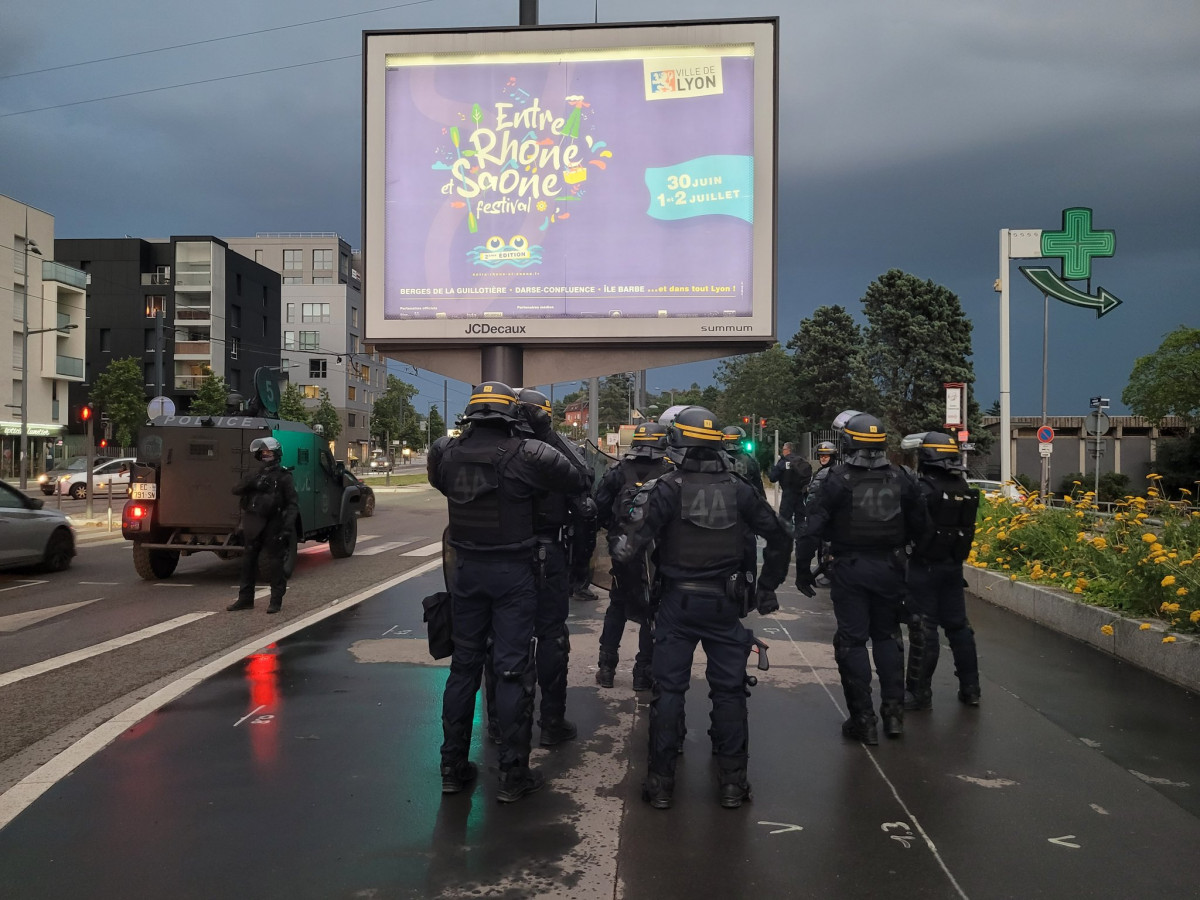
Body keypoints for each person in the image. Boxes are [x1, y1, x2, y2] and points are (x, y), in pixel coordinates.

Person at [611, 407, 792, 810]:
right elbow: (780, 535)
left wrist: (639, 599)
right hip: (726, 604)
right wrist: (766, 587)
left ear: (679, 443)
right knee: (730, 691)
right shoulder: (740, 488)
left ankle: (660, 784)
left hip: (677, 602)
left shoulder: (666, 488)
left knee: (669, 689)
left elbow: (628, 549)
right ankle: (732, 783)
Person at [427, 382, 589, 803]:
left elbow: (443, 482)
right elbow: (578, 479)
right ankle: (513, 775)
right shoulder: (526, 454)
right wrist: (544, 430)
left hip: (465, 571)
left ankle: (451, 767)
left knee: (464, 667)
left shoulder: (447, 453)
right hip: (514, 571)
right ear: (511, 415)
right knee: (513, 667)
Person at [795, 411, 926, 745]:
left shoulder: (835, 479)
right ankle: (894, 716)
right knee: (888, 637)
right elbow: (923, 528)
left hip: (850, 569)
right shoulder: (903, 477)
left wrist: (802, 571)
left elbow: (812, 530)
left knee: (852, 641)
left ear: (848, 442)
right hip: (891, 569)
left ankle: (863, 720)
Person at [516, 387, 598, 746]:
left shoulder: (490, 445)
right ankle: (550, 722)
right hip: (547, 554)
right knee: (551, 636)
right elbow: (584, 501)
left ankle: (504, 725)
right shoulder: (557, 450)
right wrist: (580, 571)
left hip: (498, 556)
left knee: (502, 640)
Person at [901, 432, 981, 709]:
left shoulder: (923, 489)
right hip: (953, 566)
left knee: (924, 628)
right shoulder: (963, 486)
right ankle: (971, 689)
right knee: (959, 627)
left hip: (924, 567)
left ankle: (918, 691)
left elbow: (907, 525)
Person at [593, 421, 673, 691]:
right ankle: (643, 673)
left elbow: (599, 508)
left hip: (622, 552)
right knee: (652, 609)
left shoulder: (618, 471)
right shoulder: (669, 472)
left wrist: (614, 533)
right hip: (656, 553)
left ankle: (606, 668)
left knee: (617, 605)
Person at [228, 436, 298, 614]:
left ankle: (275, 601)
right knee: (248, 561)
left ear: (277, 454)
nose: (266, 455)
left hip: (274, 523)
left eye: (269, 452)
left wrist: (287, 528)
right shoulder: (255, 474)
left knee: (275, 563)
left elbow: (292, 503)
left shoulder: (284, 476)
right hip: (253, 522)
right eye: (263, 453)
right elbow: (235, 489)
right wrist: (252, 483)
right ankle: (245, 599)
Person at [766, 442, 812, 535]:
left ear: (787, 450)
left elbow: (772, 478)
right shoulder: (801, 461)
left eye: (783, 449)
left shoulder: (783, 462)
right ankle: (800, 541)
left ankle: (786, 543)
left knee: (785, 521)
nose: (783, 451)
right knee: (800, 520)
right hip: (800, 494)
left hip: (787, 494)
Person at [722, 426, 765, 498]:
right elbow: (757, 484)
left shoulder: (716, 457)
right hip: (745, 500)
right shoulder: (750, 459)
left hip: (723, 501)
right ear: (739, 440)